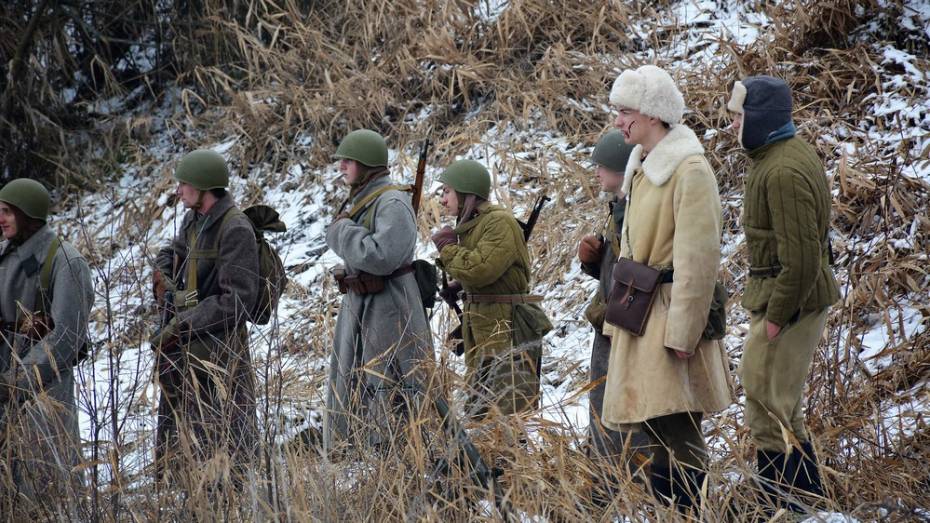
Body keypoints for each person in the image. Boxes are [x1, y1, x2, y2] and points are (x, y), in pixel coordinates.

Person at [602, 65, 733, 512]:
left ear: (653, 114)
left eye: (625, 111)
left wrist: (683, 333)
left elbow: (699, 261)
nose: (618, 120)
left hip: (670, 317)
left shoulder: (689, 170)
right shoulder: (641, 168)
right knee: (656, 430)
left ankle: (687, 514)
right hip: (643, 315)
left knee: (679, 432)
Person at [728, 75, 840, 511]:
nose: (733, 125)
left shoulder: (782, 171)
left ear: (759, 119)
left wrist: (776, 315)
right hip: (787, 298)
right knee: (778, 405)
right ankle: (806, 503)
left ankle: (784, 506)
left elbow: (802, 258)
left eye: (739, 117)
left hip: (791, 301)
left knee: (766, 407)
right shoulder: (778, 158)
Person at [151, 149, 260, 484]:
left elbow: (238, 301)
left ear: (203, 187)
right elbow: (175, 250)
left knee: (225, 437)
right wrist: (164, 270)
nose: (179, 190)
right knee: (187, 434)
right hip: (191, 343)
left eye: (184, 184)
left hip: (220, 348)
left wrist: (185, 321)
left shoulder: (235, 228)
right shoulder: (194, 220)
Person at [323, 129, 434, 453]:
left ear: (367, 164)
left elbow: (382, 256)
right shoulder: (365, 199)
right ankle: (360, 450)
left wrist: (342, 232)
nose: (342, 166)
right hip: (363, 304)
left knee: (389, 383)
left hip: (390, 307)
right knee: (357, 379)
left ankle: (395, 454)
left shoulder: (392, 202)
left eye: (348, 161)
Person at [431, 159, 551, 420]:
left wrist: (448, 250)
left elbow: (482, 268)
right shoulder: (474, 224)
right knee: (481, 411)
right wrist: (461, 285)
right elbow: (491, 271)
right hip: (485, 325)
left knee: (507, 411)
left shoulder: (498, 223)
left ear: (466, 192)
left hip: (506, 326)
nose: (442, 199)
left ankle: (506, 462)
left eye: (447, 191)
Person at [0, 178, 93, 512]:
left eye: (8, 212)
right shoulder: (5, 255)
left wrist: (19, 380)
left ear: (29, 214)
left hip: (46, 387)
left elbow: (67, 336)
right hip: (5, 382)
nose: (1, 218)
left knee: (50, 475)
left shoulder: (67, 262)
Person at [577, 130, 649, 476]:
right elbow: (619, 267)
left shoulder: (636, 208)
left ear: (621, 168)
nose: (596, 173)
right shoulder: (620, 207)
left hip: (622, 323)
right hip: (610, 323)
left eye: (602, 166)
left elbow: (640, 271)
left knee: (616, 405)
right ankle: (607, 477)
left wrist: (608, 312)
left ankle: (619, 481)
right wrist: (596, 261)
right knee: (602, 401)